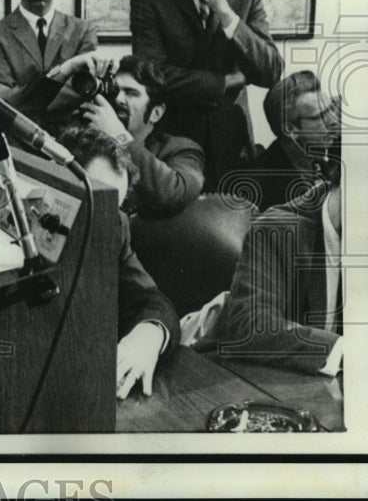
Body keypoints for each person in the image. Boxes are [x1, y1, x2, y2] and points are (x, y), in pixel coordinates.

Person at [130, 0, 283, 191]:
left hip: (234, 148)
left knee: (237, 232)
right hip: (175, 148)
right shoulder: (148, 0)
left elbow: (271, 71)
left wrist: (226, 12)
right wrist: (224, 82)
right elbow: (152, 76)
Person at [56, 126, 181, 399]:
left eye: (115, 205)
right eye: (97, 202)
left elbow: (150, 299)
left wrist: (149, 333)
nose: (106, 218)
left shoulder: (114, 224)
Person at [193, 171, 343, 376]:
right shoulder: (278, 229)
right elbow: (250, 325)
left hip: (313, 387)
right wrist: (344, 349)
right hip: (228, 378)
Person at [79, 55, 205, 218]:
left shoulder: (182, 149)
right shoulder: (85, 138)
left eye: (131, 93)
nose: (118, 99)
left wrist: (120, 137)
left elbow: (175, 193)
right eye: (115, 90)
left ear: (156, 113)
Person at [231, 71, 340, 211]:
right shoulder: (259, 187)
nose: (333, 121)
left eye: (330, 109)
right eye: (321, 116)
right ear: (290, 129)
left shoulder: (316, 158)